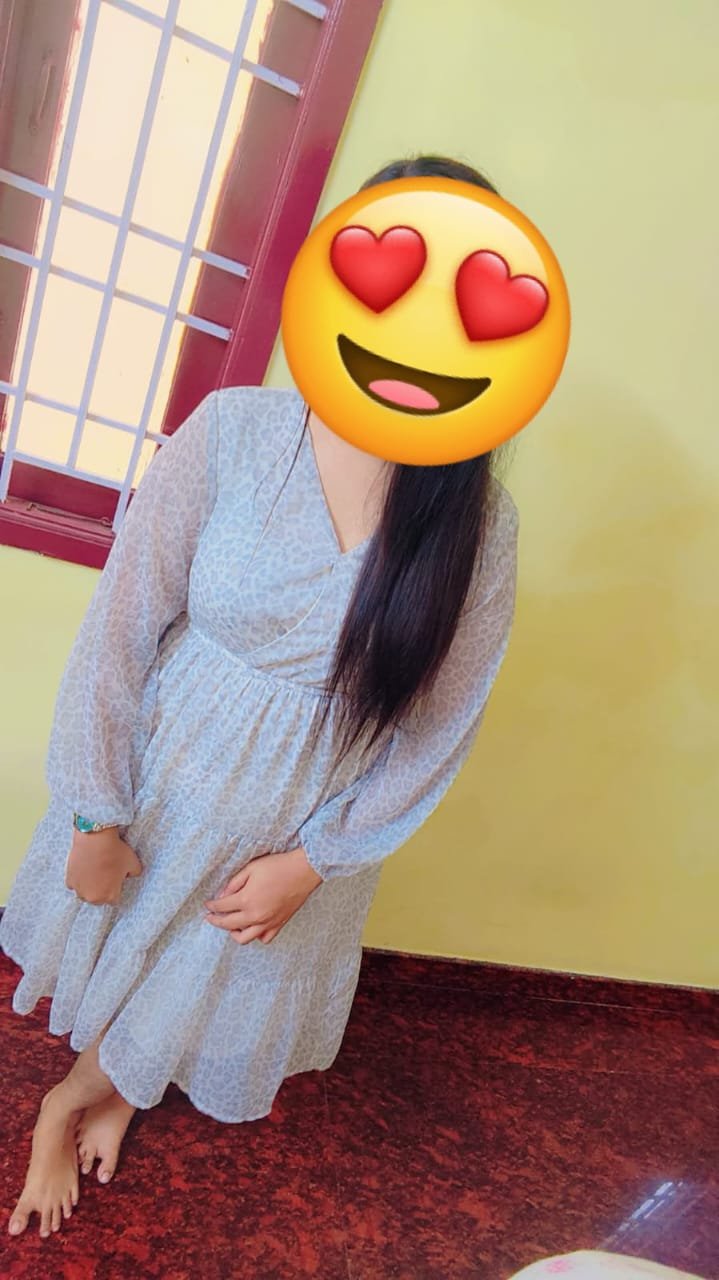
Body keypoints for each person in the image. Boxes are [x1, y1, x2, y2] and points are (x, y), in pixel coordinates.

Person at [1, 154, 519, 1240]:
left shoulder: (478, 524)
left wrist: (317, 859)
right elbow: (120, 626)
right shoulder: (233, 430)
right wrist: (96, 809)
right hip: (164, 777)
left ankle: (85, 1099)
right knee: (137, 946)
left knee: (210, 970)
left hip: (302, 821)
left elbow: (437, 728)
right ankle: (87, 1096)